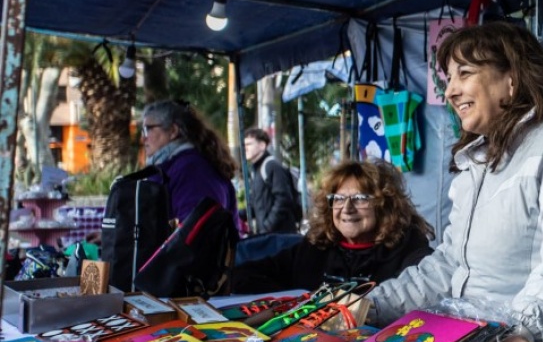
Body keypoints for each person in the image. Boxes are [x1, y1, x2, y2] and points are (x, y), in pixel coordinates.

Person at [368, 22, 543, 342]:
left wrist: (523, 330)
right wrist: (371, 306)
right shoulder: (478, 161)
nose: (450, 92)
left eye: (465, 73)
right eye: (449, 78)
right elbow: (451, 266)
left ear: (513, 79)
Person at [231, 159, 435, 293]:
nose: (347, 208)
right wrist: (298, 302)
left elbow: (425, 290)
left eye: (360, 198)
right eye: (338, 199)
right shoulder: (315, 248)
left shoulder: (408, 248)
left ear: (384, 204)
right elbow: (242, 275)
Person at [141, 99, 240, 229]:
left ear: (172, 131)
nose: (143, 138)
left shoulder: (192, 170)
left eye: (148, 129)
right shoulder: (178, 166)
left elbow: (195, 235)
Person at [243, 128, 300, 234]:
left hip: (281, 237)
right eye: (244, 145)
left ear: (262, 145)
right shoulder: (255, 171)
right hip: (269, 237)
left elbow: (283, 200)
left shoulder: (272, 166)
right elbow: (255, 204)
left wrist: (267, 228)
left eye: (249, 144)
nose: (245, 148)